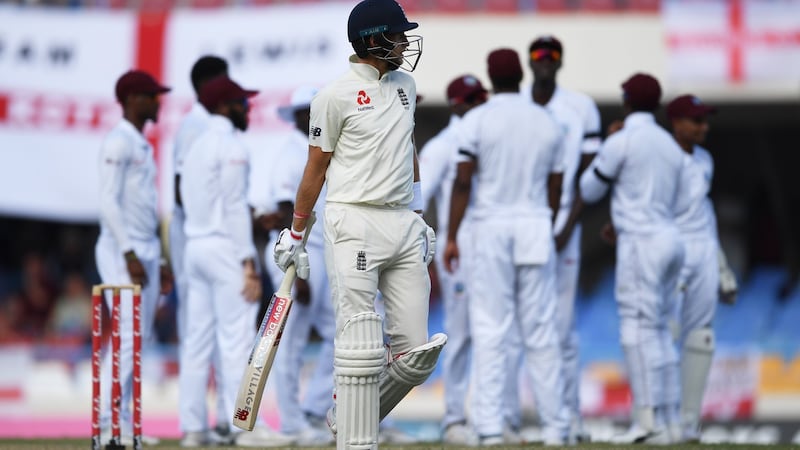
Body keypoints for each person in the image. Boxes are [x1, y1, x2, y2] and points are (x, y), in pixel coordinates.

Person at [272, 0, 447, 447]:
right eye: (398, 35)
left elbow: (408, 151)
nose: (405, 42)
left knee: (416, 355)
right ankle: (356, 437)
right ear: (373, 40)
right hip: (354, 220)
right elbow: (315, 170)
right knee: (360, 342)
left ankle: (347, 413)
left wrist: (419, 215)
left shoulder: (405, 85)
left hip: (402, 222)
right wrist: (296, 232)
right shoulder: (333, 96)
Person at [443, 48, 570, 446]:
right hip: (534, 225)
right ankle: (556, 429)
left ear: (491, 78)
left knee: (490, 329)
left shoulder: (477, 120)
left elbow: (463, 182)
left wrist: (452, 235)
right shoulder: (547, 121)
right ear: (521, 75)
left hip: (492, 227)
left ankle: (490, 429)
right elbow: (556, 186)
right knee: (541, 331)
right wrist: (545, 223)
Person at [180, 75, 293, 448]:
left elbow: (208, 199)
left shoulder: (195, 146)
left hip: (195, 246)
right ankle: (242, 427)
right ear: (224, 106)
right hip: (225, 249)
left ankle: (194, 429)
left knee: (197, 341)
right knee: (237, 339)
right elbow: (230, 207)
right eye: (242, 103)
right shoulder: (231, 146)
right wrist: (247, 260)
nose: (248, 109)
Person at [579, 73, 687, 444]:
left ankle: (647, 422)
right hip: (670, 238)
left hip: (641, 242)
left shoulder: (622, 140)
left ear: (626, 102)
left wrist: (608, 144)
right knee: (661, 330)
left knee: (637, 329)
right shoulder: (671, 144)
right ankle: (670, 422)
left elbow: (589, 189)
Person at [527, 35, 601, 442]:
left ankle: (570, 419)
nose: (544, 61)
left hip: (563, 230)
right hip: (524, 228)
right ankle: (519, 419)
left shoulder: (581, 107)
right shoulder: (518, 104)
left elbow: (586, 176)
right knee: (522, 328)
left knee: (563, 327)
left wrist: (569, 224)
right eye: (538, 55)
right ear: (529, 62)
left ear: (560, 61)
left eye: (551, 56)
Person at [96, 69, 172, 446]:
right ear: (131, 100)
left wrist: (160, 260)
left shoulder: (140, 143)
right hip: (120, 249)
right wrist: (128, 252)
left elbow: (146, 207)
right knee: (127, 336)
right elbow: (108, 202)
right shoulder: (118, 142)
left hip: (145, 250)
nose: (158, 101)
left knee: (137, 338)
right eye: (151, 95)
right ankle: (107, 421)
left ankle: (121, 418)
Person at [263, 85, 335, 446]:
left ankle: (313, 409)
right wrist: (296, 270)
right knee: (290, 341)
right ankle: (291, 423)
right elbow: (281, 212)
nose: (317, 116)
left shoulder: (321, 149)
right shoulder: (290, 154)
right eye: (310, 110)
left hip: (323, 251)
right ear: (297, 115)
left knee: (342, 333)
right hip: (295, 251)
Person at [418, 74, 488, 446]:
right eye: (473, 99)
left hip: (489, 243)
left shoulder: (486, 136)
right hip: (456, 246)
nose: (480, 104)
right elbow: (419, 198)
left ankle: (494, 417)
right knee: (461, 334)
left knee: (492, 332)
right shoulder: (444, 144)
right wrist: (424, 249)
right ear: (457, 104)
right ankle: (455, 419)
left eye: (482, 98)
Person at [665, 94, 738, 442]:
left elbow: (704, 214)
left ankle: (689, 424)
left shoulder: (705, 160)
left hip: (703, 251)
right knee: (665, 333)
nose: (703, 127)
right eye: (696, 121)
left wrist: (722, 268)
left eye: (705, 120)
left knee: (701, 336)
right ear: (676, 123)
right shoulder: (661, 156)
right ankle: (657, 420)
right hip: (671, 246)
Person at [170, 55, 232, 447]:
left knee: (212, 329)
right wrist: (212, 224)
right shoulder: (194, 127)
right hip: (200, 235)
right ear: (208, 86)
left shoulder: (209, 125)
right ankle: (200, 423)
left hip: (201, 235)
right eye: (224, 82)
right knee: (202, 330)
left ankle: (216, 421)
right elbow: (182, 190)